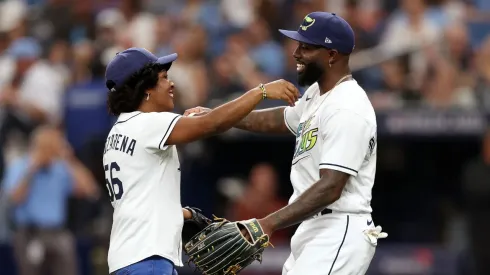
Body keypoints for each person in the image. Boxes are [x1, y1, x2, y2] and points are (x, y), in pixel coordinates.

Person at [185, 12, 386, 275]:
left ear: (332, 55)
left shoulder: (347, 106)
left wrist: (267, 223)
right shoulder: (318, 94)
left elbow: (331, 187)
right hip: (315, 229)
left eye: (306, 47)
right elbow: (278, 119)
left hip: (339, 227)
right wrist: (220, 116)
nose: (296, 53)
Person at [102, 47, 299, 275]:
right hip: (149, 260)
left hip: (128, 258)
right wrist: (261, 91)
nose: (171, 84)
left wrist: (186, 216)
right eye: (164, 78)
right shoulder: (148, 124)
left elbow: (142, 200)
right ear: (145, 88)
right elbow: (211, 125)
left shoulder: (118, 132)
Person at [3, 125, 98, 275]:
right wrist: (32, 170)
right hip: (29, 233)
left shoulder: (60, 167)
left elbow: (90, 190)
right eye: (48, 146)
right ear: (36, 146)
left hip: (57, 233)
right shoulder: (19, 166)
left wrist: (70, 159)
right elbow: (16, 198)